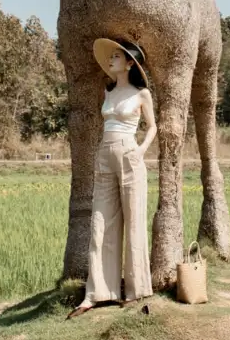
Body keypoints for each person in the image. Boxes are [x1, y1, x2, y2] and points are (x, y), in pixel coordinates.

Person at [67, 38, 156, 319]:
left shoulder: (142, 94)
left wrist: (140, 151)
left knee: (134, 220)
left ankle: (136, 290)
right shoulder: (108, 93)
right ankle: (97, 293)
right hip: (104, 153)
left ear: (131, 63)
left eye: (117, 56)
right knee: (100, 223)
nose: (111, 60)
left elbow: (152, 127)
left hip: (129, 153)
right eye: (111, 56)